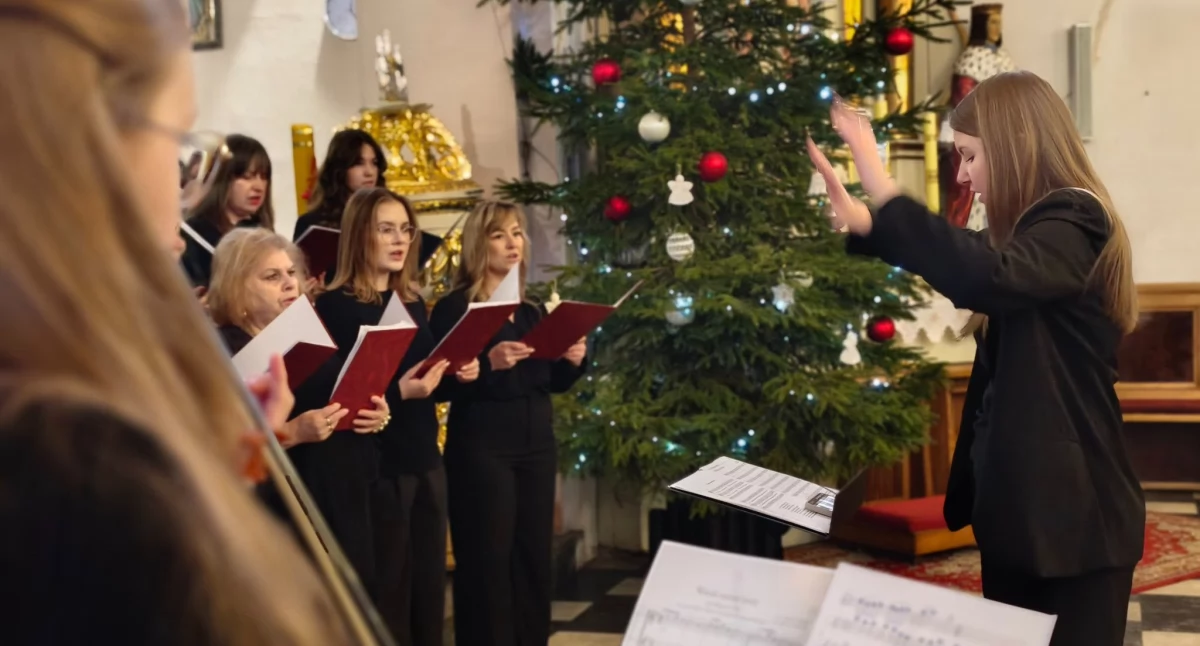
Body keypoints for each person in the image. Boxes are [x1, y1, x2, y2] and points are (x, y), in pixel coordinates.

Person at [0, 1, 350, 644]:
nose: (180, 210)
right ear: (91, 151)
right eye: (176, 146)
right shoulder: (76, 458)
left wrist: (223, 461)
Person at [806, 71, 1143, 646]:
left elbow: (989, 278)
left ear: (1014, 146)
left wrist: (882, 186)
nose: (962, 176)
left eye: (969, 157)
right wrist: (868, 221)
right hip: (1022, 511)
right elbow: (971, 258)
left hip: (1071, 519)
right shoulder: (1032, 232)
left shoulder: (1076, 217)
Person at [321, 187, 478, 644]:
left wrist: (457, 372)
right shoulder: (335, 306)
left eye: (405, 230)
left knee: (429, 592)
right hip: (378, 467)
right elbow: (338, 393)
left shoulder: (409, 299)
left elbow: (425, 381)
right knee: (390, 591)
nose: (399, 239)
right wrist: (401, 391)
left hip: (425, 458)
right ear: (359, 235)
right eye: (385, 229)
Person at [429, 200, 588, 646]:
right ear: (480, 243)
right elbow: (442, 384)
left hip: (535, 444)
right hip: (483, 447)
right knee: (488, 563)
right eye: (500, 234)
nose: (512, 242)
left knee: (533, 558)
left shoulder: (531, 308)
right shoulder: (455, 308)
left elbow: (548, 380)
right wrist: (487, 362)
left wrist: (574, 360)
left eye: (517, 232)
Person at [208, 227, 387, 448]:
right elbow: (226, 444)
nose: (290, 283)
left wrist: (375, 414)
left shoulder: (304, 327)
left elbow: (337, 399)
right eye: (272, 276)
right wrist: (293, 432)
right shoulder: (222, 348)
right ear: (236, 288)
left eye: (291, 273)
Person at [181, 133, 276, 288]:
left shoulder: (262, 232)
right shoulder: (194, 235)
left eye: (264, 177)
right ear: (223, 178)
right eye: (247, 177)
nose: (258, 186)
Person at [294, 130, 387, 243]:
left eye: (374, 163)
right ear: (340, 170)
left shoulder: (389, 216)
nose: (369, 172)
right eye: (359, 163)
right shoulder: (313, 224)